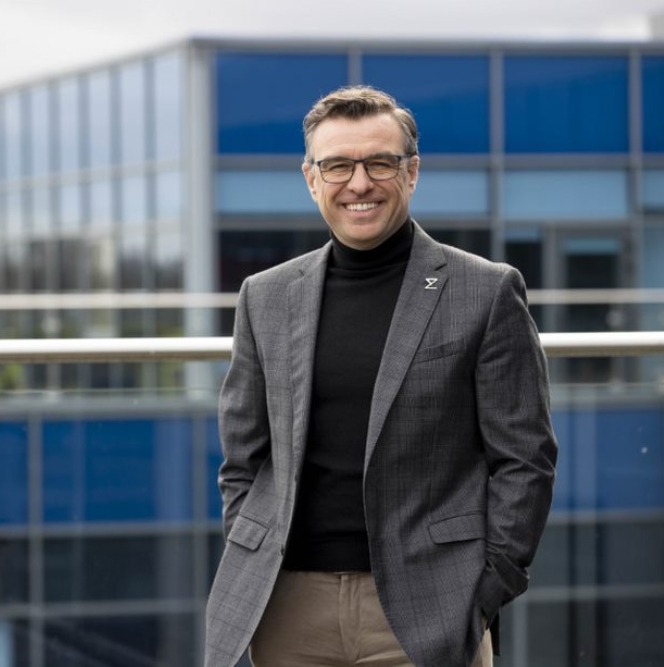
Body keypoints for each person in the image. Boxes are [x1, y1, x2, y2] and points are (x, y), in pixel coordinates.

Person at [204, 85, 557, 667]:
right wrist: (255, 546)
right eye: (338, 164)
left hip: (429, 609)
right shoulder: (264, 296)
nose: (359, 182)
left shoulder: (485, 290)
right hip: (288, 605)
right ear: (311, 178)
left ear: (412, 171)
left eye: (380, 163)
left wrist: (485, 587)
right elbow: (243, 458)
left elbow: (525, 458)